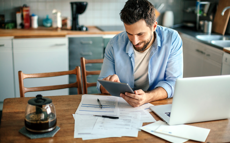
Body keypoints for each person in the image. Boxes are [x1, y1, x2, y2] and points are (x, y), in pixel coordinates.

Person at [97, 0, 183, 107]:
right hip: (123, 107)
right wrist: (108, 85)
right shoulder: (114, 44)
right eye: (129, 33)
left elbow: (174, 83)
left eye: (140, 34)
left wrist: (147, 97)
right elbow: (101, 85)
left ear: (154, 27)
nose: (134, 41)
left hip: (157, 105)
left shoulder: (172, 39)